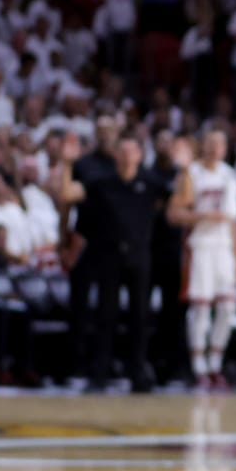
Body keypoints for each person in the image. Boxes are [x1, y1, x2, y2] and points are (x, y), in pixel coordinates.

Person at [50, 131, 164, 389]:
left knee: (139, 316)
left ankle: (137, 372)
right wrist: (67, 163)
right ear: (115, 155)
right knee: (105, 315)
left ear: (139, 155)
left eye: (130, 151)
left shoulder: (151, 183)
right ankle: (99, 372)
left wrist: (187, 169)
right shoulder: (101, 181)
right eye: (121, 151)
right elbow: (67, 194)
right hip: (108, 256)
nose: (125, 155)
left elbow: (180, 199)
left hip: (140, 256)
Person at [168, 128, 236, 388]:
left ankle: (215, 364)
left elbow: (233, 222)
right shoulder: (190, 173)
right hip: (199, 246)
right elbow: (174, 214)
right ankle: (198, 366)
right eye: (210, 143)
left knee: (228, 307)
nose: (214, 148)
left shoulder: (230, 175)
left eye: (219, 144)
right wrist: (205, 216)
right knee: (200, 308)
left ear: (225, 149)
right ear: (202, 146)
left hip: (224, 248)